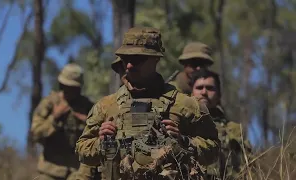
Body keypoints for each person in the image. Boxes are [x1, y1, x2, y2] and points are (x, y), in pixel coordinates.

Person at [75, 27, 220, 180]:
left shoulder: (185, 105)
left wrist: (183, 141)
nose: (129, 65)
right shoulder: (105, 106)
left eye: (137, 59)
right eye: (125, 59)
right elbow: (82, 151)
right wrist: (101, 143)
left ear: (155, 59)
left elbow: (214, 150)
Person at [31, 63, 94, 180]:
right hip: (50, 170)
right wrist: (54, 119)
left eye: (74, 88)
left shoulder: (88, 107)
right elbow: (35, 134)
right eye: (66, 86)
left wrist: (87, 123)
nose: (70, 91)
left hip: (78, 172)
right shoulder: (49, 103)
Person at [191, 69, 252, 180]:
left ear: (219, 95)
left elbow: (248, 166)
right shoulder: (179, 124)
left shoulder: (233, 130)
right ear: (191, 93)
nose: (204, 92)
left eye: (210, 88)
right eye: (199, 88)